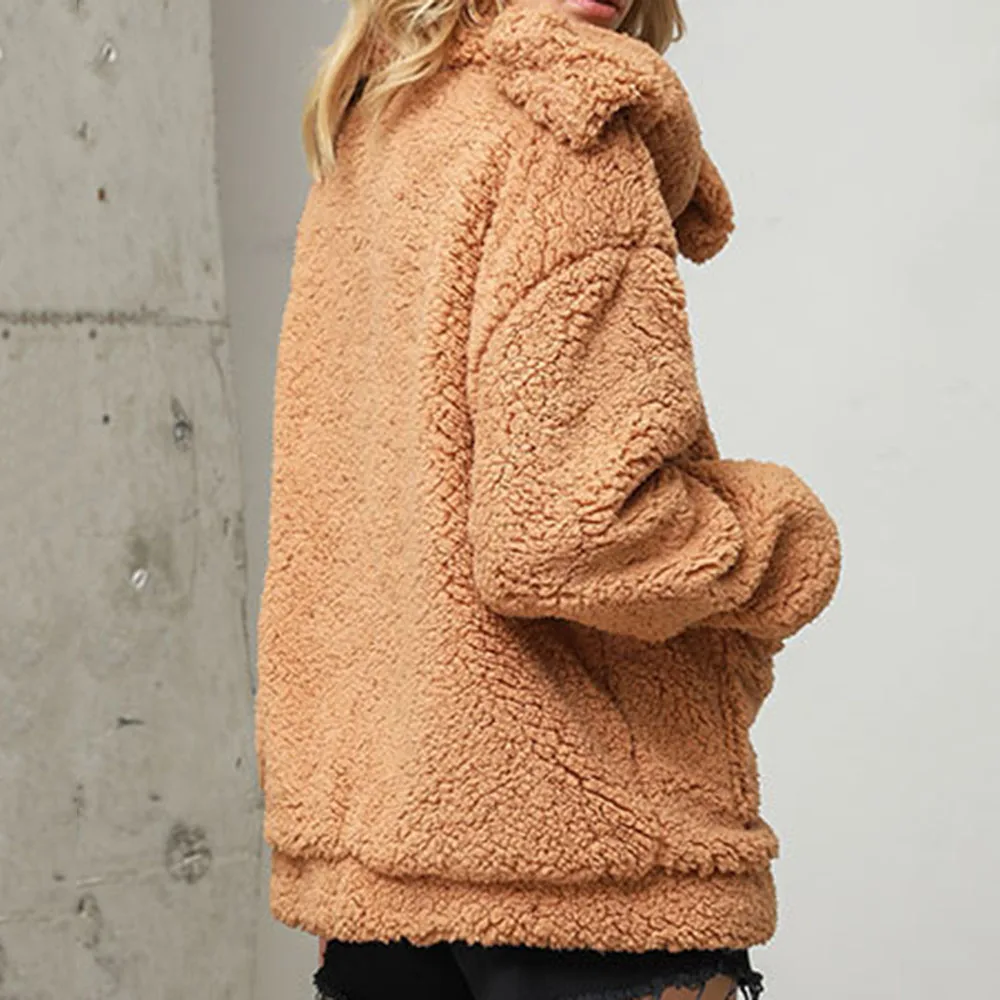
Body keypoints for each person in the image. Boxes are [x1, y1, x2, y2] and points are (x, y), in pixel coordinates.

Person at [254, 0, 842, 994]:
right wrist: (779, 541)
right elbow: (569, 534)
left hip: (386, 875)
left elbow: (339, 531)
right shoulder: (567, 129)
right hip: (585, 864)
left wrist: (360, 870)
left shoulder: (376, 127)